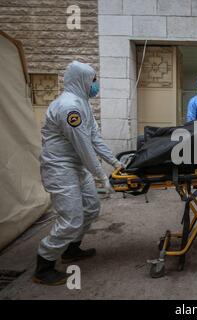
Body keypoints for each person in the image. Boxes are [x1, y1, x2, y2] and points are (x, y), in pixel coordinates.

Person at [33, 61, 122, 285]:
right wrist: (102, 176)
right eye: (93, 80)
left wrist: (115, 162)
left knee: (91, 208)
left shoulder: (82, 103)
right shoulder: (69, 107)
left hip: (76, 166)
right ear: (82, 80)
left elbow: (94, 138)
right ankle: (44, 265)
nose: (96, 84)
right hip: (60, 168)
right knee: (71, 219)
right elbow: (83, 146)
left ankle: (71, 249)